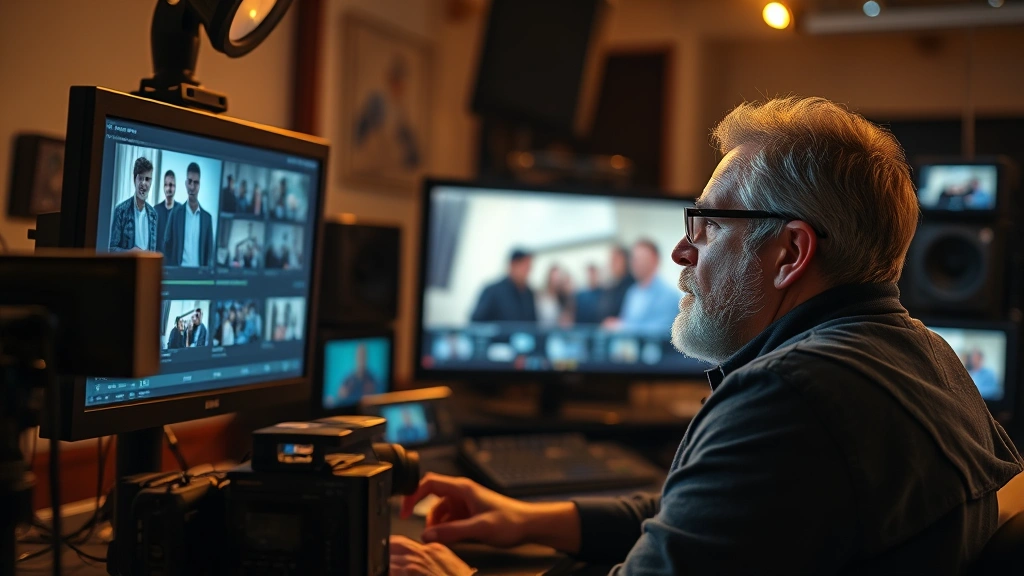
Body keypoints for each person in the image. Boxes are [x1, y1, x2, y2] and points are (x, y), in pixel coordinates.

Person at [391, 96, 1024, 575]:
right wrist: (533, 519)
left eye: (707, 226)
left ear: (790, 253)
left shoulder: (789, 397)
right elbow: (713, 515)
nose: (679, 251)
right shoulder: (926, 356)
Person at [601, 239, 680, 334]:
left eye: (640, 258)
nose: (634, 263)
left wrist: (623, 327)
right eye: (633, 258)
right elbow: (626, 320)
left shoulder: (669, 295)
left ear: (655, 259)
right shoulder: (632, 292)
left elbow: (662, 330)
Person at [163, 162, 214, 267]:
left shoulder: (207, 219)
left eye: (196, 182)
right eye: (190, 181)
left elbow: (209, 253)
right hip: (179, 275)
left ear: (199, 185)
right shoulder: (175, 213)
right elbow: (167, 246)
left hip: (199, 277)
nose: (192, 186)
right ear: (186, 183)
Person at [470, 249, 536, 324]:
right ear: (512, 265)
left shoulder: (528, 294)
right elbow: (476, 322)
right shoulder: (492, 291)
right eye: (525, 268)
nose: (528, 272)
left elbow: (532, 323)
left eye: (529, 268)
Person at [109, 156, 157, 252]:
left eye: (147, 179)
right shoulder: (120, 211)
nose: (144, 183)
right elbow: (112, 249)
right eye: (140, 178)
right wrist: (129, 253)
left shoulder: (153, 214)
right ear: (134, 179)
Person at [596, 246, 634, 322]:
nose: (612, 264)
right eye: (611, 260)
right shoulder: (610, 286)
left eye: (615, 260)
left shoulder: (633, 286)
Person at [155, 170, 178, 248]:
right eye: (166, 185)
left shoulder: (180, 211)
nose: (168, 188)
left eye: (171, 185)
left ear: (175, 187)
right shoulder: (156, 210)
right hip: (158, 257)